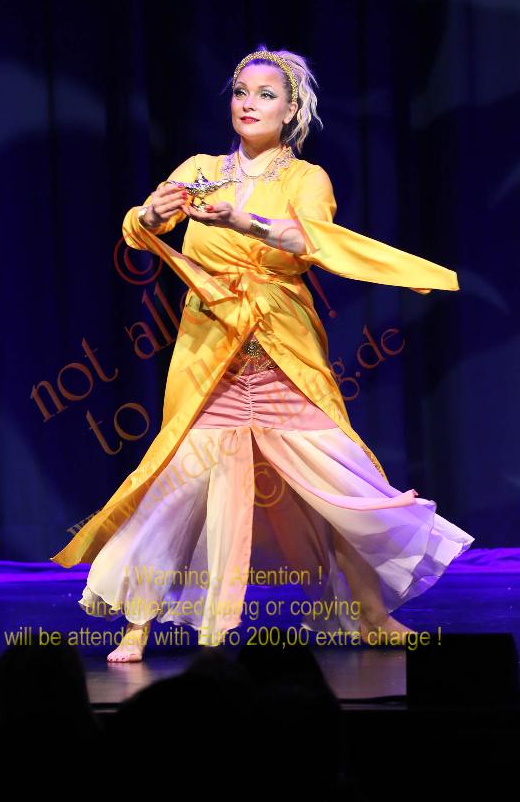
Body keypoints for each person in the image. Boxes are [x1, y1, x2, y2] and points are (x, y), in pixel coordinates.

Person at [49, 46, 474, 661]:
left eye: (266, 95)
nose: (249, 103)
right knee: (177, 485)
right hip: (211, 350)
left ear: (291, 110)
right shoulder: (200, 168)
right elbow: (140, 231)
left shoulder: (305, 178)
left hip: (281, 348)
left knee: (334, 483)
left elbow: (309, 242)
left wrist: (243, 222)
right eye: (242, 92)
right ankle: (137, 623)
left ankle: (373, 617)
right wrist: (148, 212)